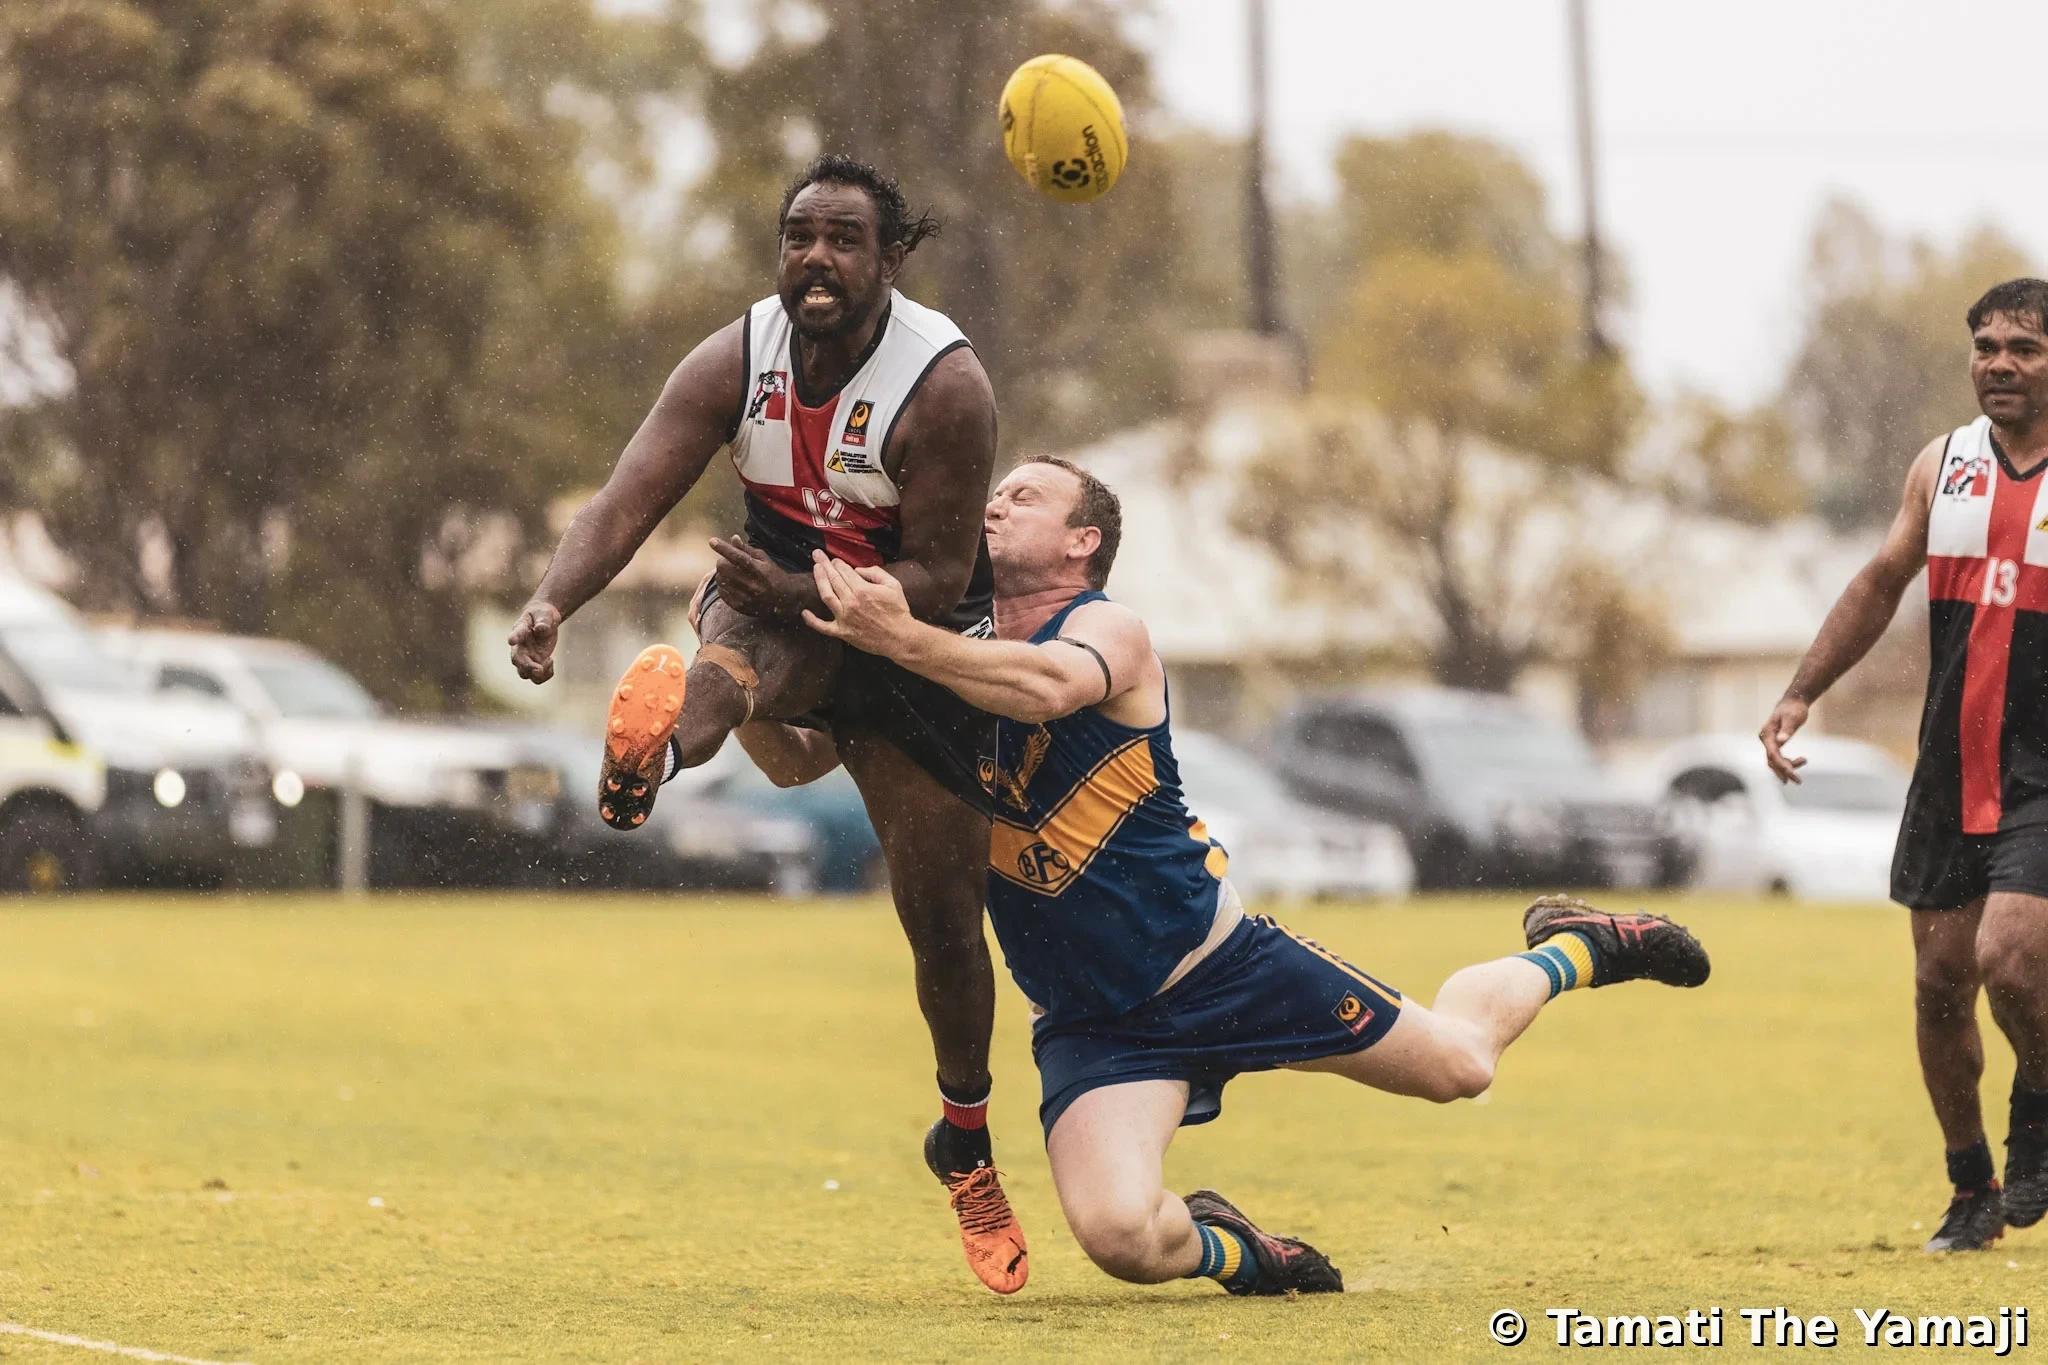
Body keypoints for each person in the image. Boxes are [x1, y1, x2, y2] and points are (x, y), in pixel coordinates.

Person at [735, 458, 1712, 1293]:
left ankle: (1574, 946)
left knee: (1460, 1066)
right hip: (1093, 1025)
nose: (994, 504)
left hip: (1219, 964)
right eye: (995, 494)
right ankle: (1238, 1252)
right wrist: (732, 676)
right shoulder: (940, 652)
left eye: (1025, 497)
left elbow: (1048, 689)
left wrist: (895, 638)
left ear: (1082, 541)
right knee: (1120, 1238)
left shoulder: (1105, 627)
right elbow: (793, 761)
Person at [506, 155, 1027, 1293]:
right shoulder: (735, 358)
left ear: (890, 258)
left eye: (843, 239)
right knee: (740, 655)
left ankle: (966, 1144)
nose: (815, 259)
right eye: (797, 237)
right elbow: (625, 497)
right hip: (775, 586)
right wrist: (552, 600)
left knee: (941, 921)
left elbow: (937, 577)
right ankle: (652, 756)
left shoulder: (942, 385)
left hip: (912, 637)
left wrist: (816, 595)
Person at [1761, 278, 2048, 1252]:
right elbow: (1880, 580)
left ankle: (2039, 1114)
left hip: (2042, 776)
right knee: (1936, 986)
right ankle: (1970, 1190)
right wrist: (1802, 690)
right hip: (1947, 764)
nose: (1997, 364)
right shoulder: (1941, 465)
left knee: (2008, 959)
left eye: (2022, 347)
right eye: (1983, 346)